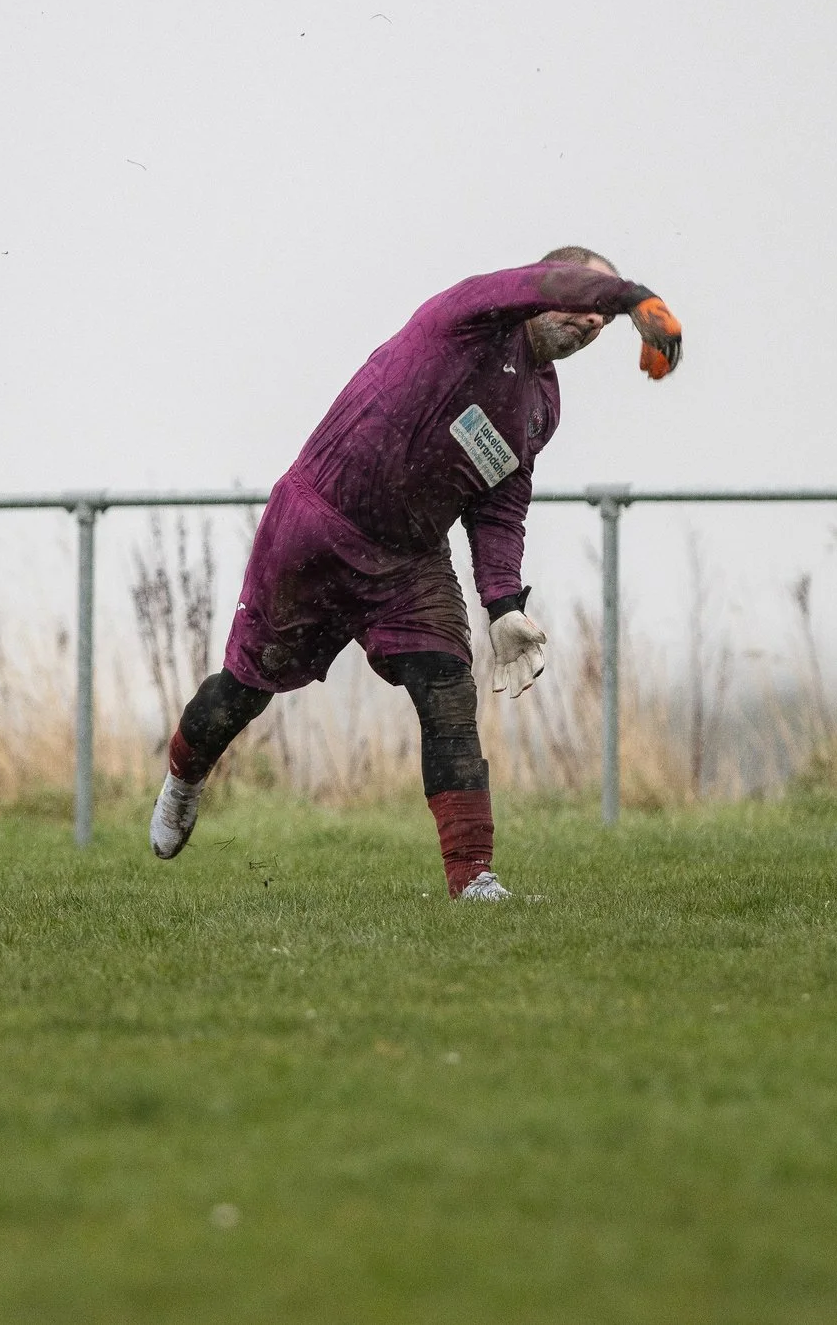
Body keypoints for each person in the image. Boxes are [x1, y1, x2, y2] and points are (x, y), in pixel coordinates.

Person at [147, 248, 681, 899]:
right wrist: (632, 298)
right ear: (541, 292)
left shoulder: (541, 405)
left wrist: (503, 603)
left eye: (601, 323)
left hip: (407, 560)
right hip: (318, 522)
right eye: (587, 304)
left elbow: (499, 504)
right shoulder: (471, 316)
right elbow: (539, 282)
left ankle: (474, 880)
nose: (592, 325)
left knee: (450, 693)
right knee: (243, 692)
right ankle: (184, 776)